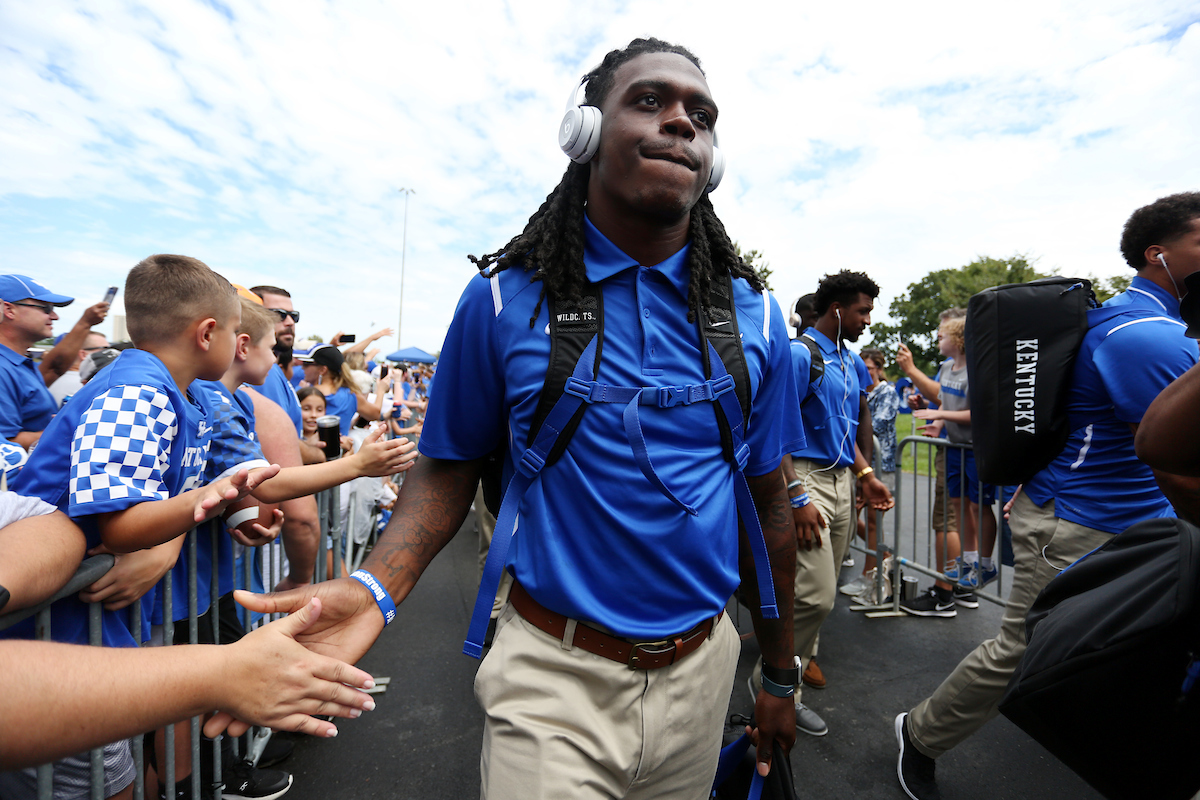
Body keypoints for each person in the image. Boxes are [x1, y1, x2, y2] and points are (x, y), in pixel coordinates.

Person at [241, 37, 804, 796]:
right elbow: (450, 464)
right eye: (649, 101)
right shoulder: (503, 298)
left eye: (701, 116)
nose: (681, 122)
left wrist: (779, 673)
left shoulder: (756, 317)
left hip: (704, 673)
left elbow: (766, 501)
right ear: (584, 132)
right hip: (550, 677)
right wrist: (376, 587)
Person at [895, 191, 1200, 800]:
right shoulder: (1145, 336)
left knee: (1135, 652)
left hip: (1125, 523)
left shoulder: (1133, 324)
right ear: (1158, 253)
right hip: (1084, 526)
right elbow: (1175, 455)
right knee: (1022, 649)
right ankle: (920, 734)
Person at [2, 256, 278, 800]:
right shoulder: (136, 392)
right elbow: (121, 526)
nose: (238, 344)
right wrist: (204, 500)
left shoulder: (169, 392)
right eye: (234, 332)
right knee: (104, 781)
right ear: (207, 333)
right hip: (56, 635)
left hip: (81, 621)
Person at [768, 269, 892, 737]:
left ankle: (791, 685)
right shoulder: (800, 355)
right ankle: (771, 684)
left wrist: (865, 476)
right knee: (815, 596)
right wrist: (796, 495)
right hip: (805, 479)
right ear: (836, 309)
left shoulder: (850, 360)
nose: (867, 320)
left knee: (824, 593)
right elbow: (774, 430)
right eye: (862, 311)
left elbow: (846, 427)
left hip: (842, 482)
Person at [900, 316, 996, 618]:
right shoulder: (945, 369)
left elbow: (978, 413)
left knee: (979, 505)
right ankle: (967, 562)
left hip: (976, 448)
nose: (937, 339)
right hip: (954, 447)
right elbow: (946, 403)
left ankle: (984, 564)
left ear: (959, 339)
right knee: (958, 503)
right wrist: (937, 422)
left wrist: (939, 415)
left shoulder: (977, 370)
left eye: (942, 335)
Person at [0, 275, 109, 450]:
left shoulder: (17, 362)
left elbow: (54, 368)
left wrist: (86, 322)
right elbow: (5, 445)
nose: (55, 316)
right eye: (46, 308)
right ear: (9, 310)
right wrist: (72, 428)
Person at [839, 346, 899, 601]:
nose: (864, 373)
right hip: (859, 463)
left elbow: (879, 423)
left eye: (869, 368)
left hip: (880, 465)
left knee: (874, 520)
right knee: (851, 516)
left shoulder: (888, 392)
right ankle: (884, 558)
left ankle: (870, 576)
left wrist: (853, 423)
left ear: (879, 368)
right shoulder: (859, 391)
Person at [298, 345, 387, 437]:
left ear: (323, 370)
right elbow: (375, 414)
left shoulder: (303, 393)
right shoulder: (351, 395)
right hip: (339, 445)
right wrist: (381, 390)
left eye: (306, 364)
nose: (302, 368)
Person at [48, 331, 109, 407]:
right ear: (83, 354)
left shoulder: (50, 379)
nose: (110, 353)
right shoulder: (91, 383)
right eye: (104, 349)